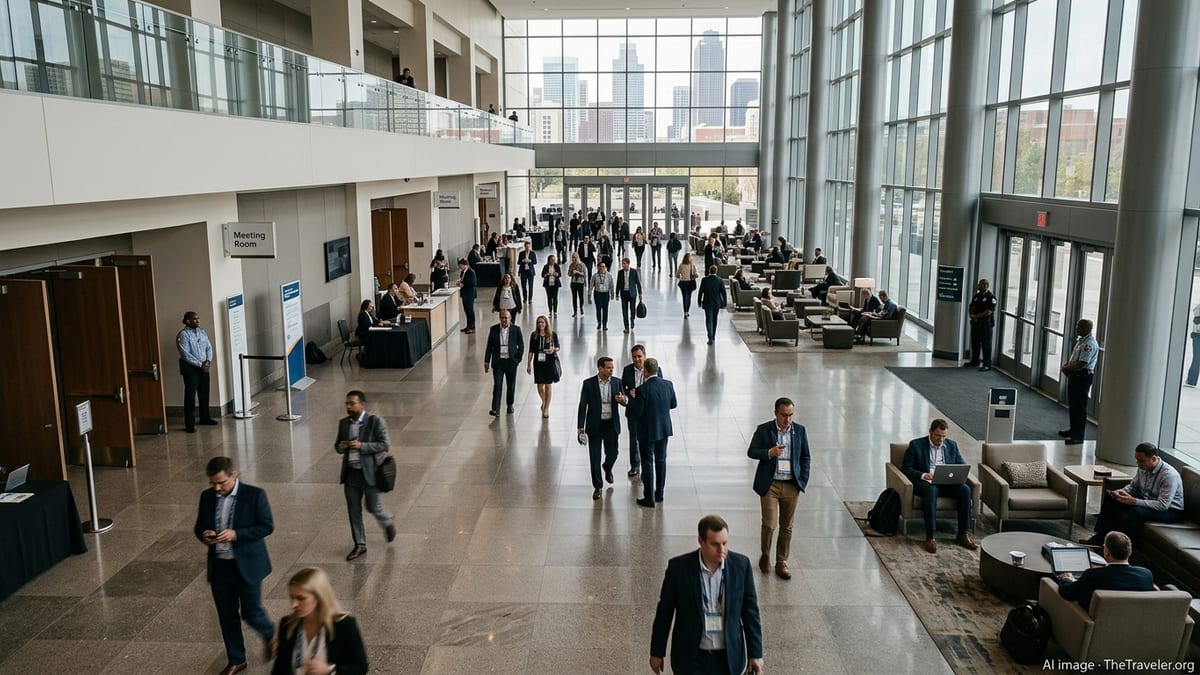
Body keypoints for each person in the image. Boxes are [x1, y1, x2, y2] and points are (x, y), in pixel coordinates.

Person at [650, 515, 764, 675]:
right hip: (692, 657)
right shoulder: (679, 569)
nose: (722, 550)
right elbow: (664, 612)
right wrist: (657, 651)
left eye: (725, 543)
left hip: (729, 658)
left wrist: (756, 653)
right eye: (715, 544)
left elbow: (750, 612)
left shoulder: (741, 566)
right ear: (700, 541)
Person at [194, 456, 275, 675]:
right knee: (226, 614)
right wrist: (205, 534)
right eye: (213, 483)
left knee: (251, 612)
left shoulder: (254, 495)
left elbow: (266, 526)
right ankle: (236, 659)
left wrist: (237, 534)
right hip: (220, 566)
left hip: (248, 565)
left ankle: (271, 634)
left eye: (221, 482)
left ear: (233, 475)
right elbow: (199, 525)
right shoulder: (207, 497)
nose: (217, 487)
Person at [747, 397, 810, 580]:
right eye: (784, 415)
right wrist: (768, 453)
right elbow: (751, 451)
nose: (787, 419)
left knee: (787, 526)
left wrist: (803, 480)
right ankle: (765, 555)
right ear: (775, 413)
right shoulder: (764, 429)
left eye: (790, 415)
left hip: (791, 484)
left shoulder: (799, 431)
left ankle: (781, 561)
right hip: (771, 484)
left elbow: (805, 457)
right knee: (769, 524)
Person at [1081, 443, 1184, 546]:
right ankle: (1100, 537)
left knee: (1136, 512)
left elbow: (1163, 505)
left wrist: (1135, 501)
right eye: (1137, 460)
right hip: (1149, 500)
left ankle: (1125, 547)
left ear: (1153, 459)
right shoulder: (1143, 468)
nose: (1138, 464)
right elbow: (1133, 487)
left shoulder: (1169, 476)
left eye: (1141, 461)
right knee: (1111, 499)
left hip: (1170, 510)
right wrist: (1120, 492)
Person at [271, 567, 368, 675]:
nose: (293, 604)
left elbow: (361, 667)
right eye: (292, 597)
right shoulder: (287, 625)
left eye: (301, 598)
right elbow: (279, 667)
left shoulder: (344, 625)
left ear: (319, 597)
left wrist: (331, 670)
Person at [335, 390, 395, 561]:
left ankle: (387, 521)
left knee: (373, 507)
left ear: (362, 404)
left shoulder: (375, 422)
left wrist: (362, 446)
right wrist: (343, 446)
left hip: (369, 474)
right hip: (350, 475)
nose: (348, 407)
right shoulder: (344, 424)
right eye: (346, 403)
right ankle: (360, 544)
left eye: (352, 403)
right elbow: (337, 447)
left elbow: (384, 445)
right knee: (354, 510)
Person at [901, 419, 977, 554]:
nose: (941, 439)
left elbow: (961, 465)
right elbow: (906, 469)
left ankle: (963, 533)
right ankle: (930, 536)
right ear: (930, 432)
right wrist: (924, 475)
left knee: (965, 490)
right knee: (931, 491)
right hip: (926, 483)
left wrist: (957, 474)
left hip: (946, 482)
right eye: (937, 435)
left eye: (944, 436)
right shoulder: (916, 445)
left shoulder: (952, 445)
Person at [1057, 532, 1154, 609]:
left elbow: (1067, 593)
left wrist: (1067, 579)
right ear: (1130, 552)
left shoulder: (1093, 575)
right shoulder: (1146, 574)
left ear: (1107, 553)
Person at [577, 356, 628, 500]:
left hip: (611, 424)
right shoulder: (588, 384)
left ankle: (607, 467)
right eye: (608, 367)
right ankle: (597, 486)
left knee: (613, 453)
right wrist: (580, 427)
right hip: (595, 425)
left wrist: (623, 400)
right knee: (594, 457)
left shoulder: (617, 382)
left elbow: (625, 400)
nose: (611, 369)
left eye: (612, 367)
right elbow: (582, 406)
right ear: (600, 368)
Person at [630, 358, 677, 507]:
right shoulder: (668, 384)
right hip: (663, 429)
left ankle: (648, 497)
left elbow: (638, 411)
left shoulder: (642, 390)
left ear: (645, 371)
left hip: (647, 431)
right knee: (661, 461)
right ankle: (660, 494)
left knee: (648, 463)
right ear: (657, 370)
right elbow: (673, 404)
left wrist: (632, 399)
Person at [622, 345, 660, 479]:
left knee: (648, 441)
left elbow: (658, 387)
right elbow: (623, 387)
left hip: (649, 412)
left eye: (639, 356)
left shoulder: (655, 369)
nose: (637, 359)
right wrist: (629, 393)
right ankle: (635, 465)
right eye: (634, 357)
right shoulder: (627, 370)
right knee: (634, 439)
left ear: (644, 356)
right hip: (633, 410)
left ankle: (647, 467)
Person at [1059, 318, 1099, 445]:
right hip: (1075, 376)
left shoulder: (1089, 344)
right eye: (1077, 326)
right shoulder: (1081, 341)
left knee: (1080, 407)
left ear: (1088, 329)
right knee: (1073, 405)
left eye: (1079, 327)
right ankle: (1072, 429)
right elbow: (1074, 358)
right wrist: (1067, 367)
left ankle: (1078, 436)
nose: (1077, 329)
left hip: (1082, 377)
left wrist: (1066, 368)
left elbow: (1082, 363)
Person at [178, 310, 218, 433]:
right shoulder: (183, 335)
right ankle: (189, 424)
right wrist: (200, 364)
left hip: (204, 367)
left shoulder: (202, 332)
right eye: (195, 319)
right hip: (191, 369)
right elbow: (185, 354)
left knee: (204, 394)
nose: (198, 320)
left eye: (198, 318)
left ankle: (205, 418)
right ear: (188, 321)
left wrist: (208, 361)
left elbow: (209, 348)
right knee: (190, 397)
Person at [484, 310, 524, 416]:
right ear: (500, 318)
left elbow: (521, 346)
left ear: (510, 319)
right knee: (497, 385)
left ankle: (510, 404)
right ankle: (495, 408)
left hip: (511, 362)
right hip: (498, 362)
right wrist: (487, 361)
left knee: (511, 385)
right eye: (502, 317)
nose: (504, 320)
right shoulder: (494, 329)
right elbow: (489, 346)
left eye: (506, 318)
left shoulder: (516, 330)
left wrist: (517, 359)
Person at [526, 315, 561, 418]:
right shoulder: (534, 335)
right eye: (539, 323)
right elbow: (531, 351)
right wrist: (528, 364)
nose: (540, 324)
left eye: (542, 322)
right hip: (538, 363)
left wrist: (553, 350)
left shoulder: (552, 335)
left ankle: (546, 408)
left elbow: (558, 347)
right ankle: (544, 400)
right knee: (540, 386)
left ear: (546, 324)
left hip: (549, 363)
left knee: (548, 385)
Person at [966, 279, 997, 371]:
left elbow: (989, 311)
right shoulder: (977, 296)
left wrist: (977, 316)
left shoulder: (991, 297)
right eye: (980, 285)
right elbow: (971, 307)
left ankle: (987, 364)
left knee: (986, 344)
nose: (981, 286)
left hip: (985, 324)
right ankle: (975, 361)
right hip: (975, 323)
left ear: (987, 285)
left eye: (983, 285)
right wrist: (972, 315)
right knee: (975, 342)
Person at [698, 265, 728, 345]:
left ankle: (710, 336)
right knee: (715, 320)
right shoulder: (720, 280)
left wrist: (699, 302)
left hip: (707, 302)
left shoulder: (704, 280)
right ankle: (713, 336)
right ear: (716, 271)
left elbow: (701, 292)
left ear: (709, 271)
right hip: (716, 303)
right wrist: (724, 303)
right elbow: (723, 293)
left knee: (708, 320)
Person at [616, 257, 643, 334]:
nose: (623, 265)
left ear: (628, 264)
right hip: (624, 293)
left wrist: (640, 293)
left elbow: (638, 283)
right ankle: (626, 327)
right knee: (624, 311)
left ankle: (632, 320)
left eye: (624, 263)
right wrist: (617, 294)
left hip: (632, 294)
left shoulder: (634, 272)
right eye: (622, 263)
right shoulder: (620, 272)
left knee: (632, 309)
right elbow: (618, 283)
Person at [590, 260, 615, 331]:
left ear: (606, 268)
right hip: (597, 293)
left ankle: (605, 324)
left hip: (605, 294)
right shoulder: (595, 276)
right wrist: (589, 295)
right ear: (598, 268)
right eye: (600, 267)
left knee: (605, 309)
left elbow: (611, 285)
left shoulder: (609, 276)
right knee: (598, 309)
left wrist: (612, 294)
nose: (602, 268)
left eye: (603, 267)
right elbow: (591, 285)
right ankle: (599, 322)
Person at [456, 258, 477, 334]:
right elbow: (463, 280)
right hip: (464, 294)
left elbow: (473, 283)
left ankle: (472, 327)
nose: (460, 267)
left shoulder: (471, 272)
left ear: (465, 265)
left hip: (470, 294)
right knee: (466, 310)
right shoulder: (462, 272)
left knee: (470, 310)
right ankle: (468, 326)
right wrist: (459, 282)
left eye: (461, 266)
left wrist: (463, 285)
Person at [676, 252, 699, 319]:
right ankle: (687, 311)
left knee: (684, 297)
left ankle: (685, 311)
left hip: (683, 283)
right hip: (690, 283)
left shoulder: (681, 265)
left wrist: (680, 276)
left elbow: (677, 274)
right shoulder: (692, 265)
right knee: (688, 297)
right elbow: (696, 274)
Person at [567, 252, 588, 318]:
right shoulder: (571, 265)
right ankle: (575, 311)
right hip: (573, 282)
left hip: (580, 283)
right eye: (573, 258)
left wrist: (578, 272)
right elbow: (568, 273)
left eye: (575, 258)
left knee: (581, 297)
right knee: (574, 297)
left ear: (578, 258)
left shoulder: (582, 265)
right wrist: (572, 273)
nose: (574, 259)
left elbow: (584, 274)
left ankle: (581, 307)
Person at [517, 241, 537, 305]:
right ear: (524, 247)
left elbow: (535, 262)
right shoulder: (521, 253)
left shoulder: (533, 253)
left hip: (530, 271)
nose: (527, 248)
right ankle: (525, 298)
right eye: (526, 247)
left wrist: (530, 261)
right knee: (523, 286)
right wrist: (522, 261)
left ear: (530, 246)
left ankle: (530, 299)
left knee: (531, 286)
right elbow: (518, 262)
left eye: (528, 247)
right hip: (523, 271)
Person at [1188, 302, 1200, 387]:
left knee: (1196, 359)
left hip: (1197, 337)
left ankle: (1191, 380)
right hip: (1197, 337)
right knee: (1197, 359)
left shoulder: (1197, 317)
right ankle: (1191, 380)